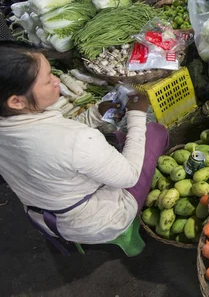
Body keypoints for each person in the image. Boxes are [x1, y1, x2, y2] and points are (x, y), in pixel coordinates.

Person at [0, 41, 168, 250]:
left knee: (115, 139)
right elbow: (130, 176)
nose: (57, 80)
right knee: (155, 132)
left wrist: (96, 114)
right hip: (96, 221)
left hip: (43, 215)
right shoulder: (78, 140)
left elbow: (54, 141)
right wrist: (137, 114)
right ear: (16, 102)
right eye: (47, 80)